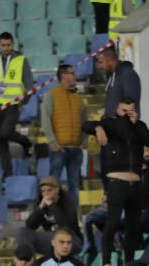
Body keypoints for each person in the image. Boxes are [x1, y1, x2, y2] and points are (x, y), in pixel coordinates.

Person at [85, 97, 149, 266]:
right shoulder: (109, 123)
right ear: (118, 109)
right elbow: (85, 125)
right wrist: (98, 127)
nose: (127, 114)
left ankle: (130, 263)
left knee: (134, 226)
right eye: (124, 111)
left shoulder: (139, 126)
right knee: (113, 221)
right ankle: (106, 262)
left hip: (135, 183)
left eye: (130, 111)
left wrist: (136, 123)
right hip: (116, 181)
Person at [0, 32, 34, 179]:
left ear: (13, 44)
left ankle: (26, 142)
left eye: (8, 45)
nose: (6, 48)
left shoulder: (21, 60)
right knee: (0, 142)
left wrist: (23, 101)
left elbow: (29, 83)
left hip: (12, 105)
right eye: (3, 45)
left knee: (5, 133)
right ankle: (8, 174)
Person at [41, 65, 87, 207]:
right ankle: (52, 215)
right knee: (52, 186)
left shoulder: (78, 98)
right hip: (59, 149)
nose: (75, 76)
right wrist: (53, 142)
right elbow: (45, 119)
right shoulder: (51, 95)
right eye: (72, 73)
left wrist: (84, 140)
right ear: (63, 76)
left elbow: (85, 121)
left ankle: (73, 219)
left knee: (74, 185)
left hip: (75, 148)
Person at [20, 177, 83, 255]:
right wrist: (40, 209)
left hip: (71, 240)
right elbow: (30, 225)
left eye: (49, 190)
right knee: (24, 232)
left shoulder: (67, 202)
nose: (46, 193)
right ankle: (27, 261)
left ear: (57, 190)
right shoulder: (41, 203)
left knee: (58, 235)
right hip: (51, 240)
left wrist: (52, 206)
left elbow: (65, 226)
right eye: (43, 191)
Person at [96, 46, 141, 119]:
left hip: (124, 127)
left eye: (101, 62)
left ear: (110, 60)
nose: (99, 66)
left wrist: (111, 111)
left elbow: (130, 105)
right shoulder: (112, 76)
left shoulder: (127, 74)